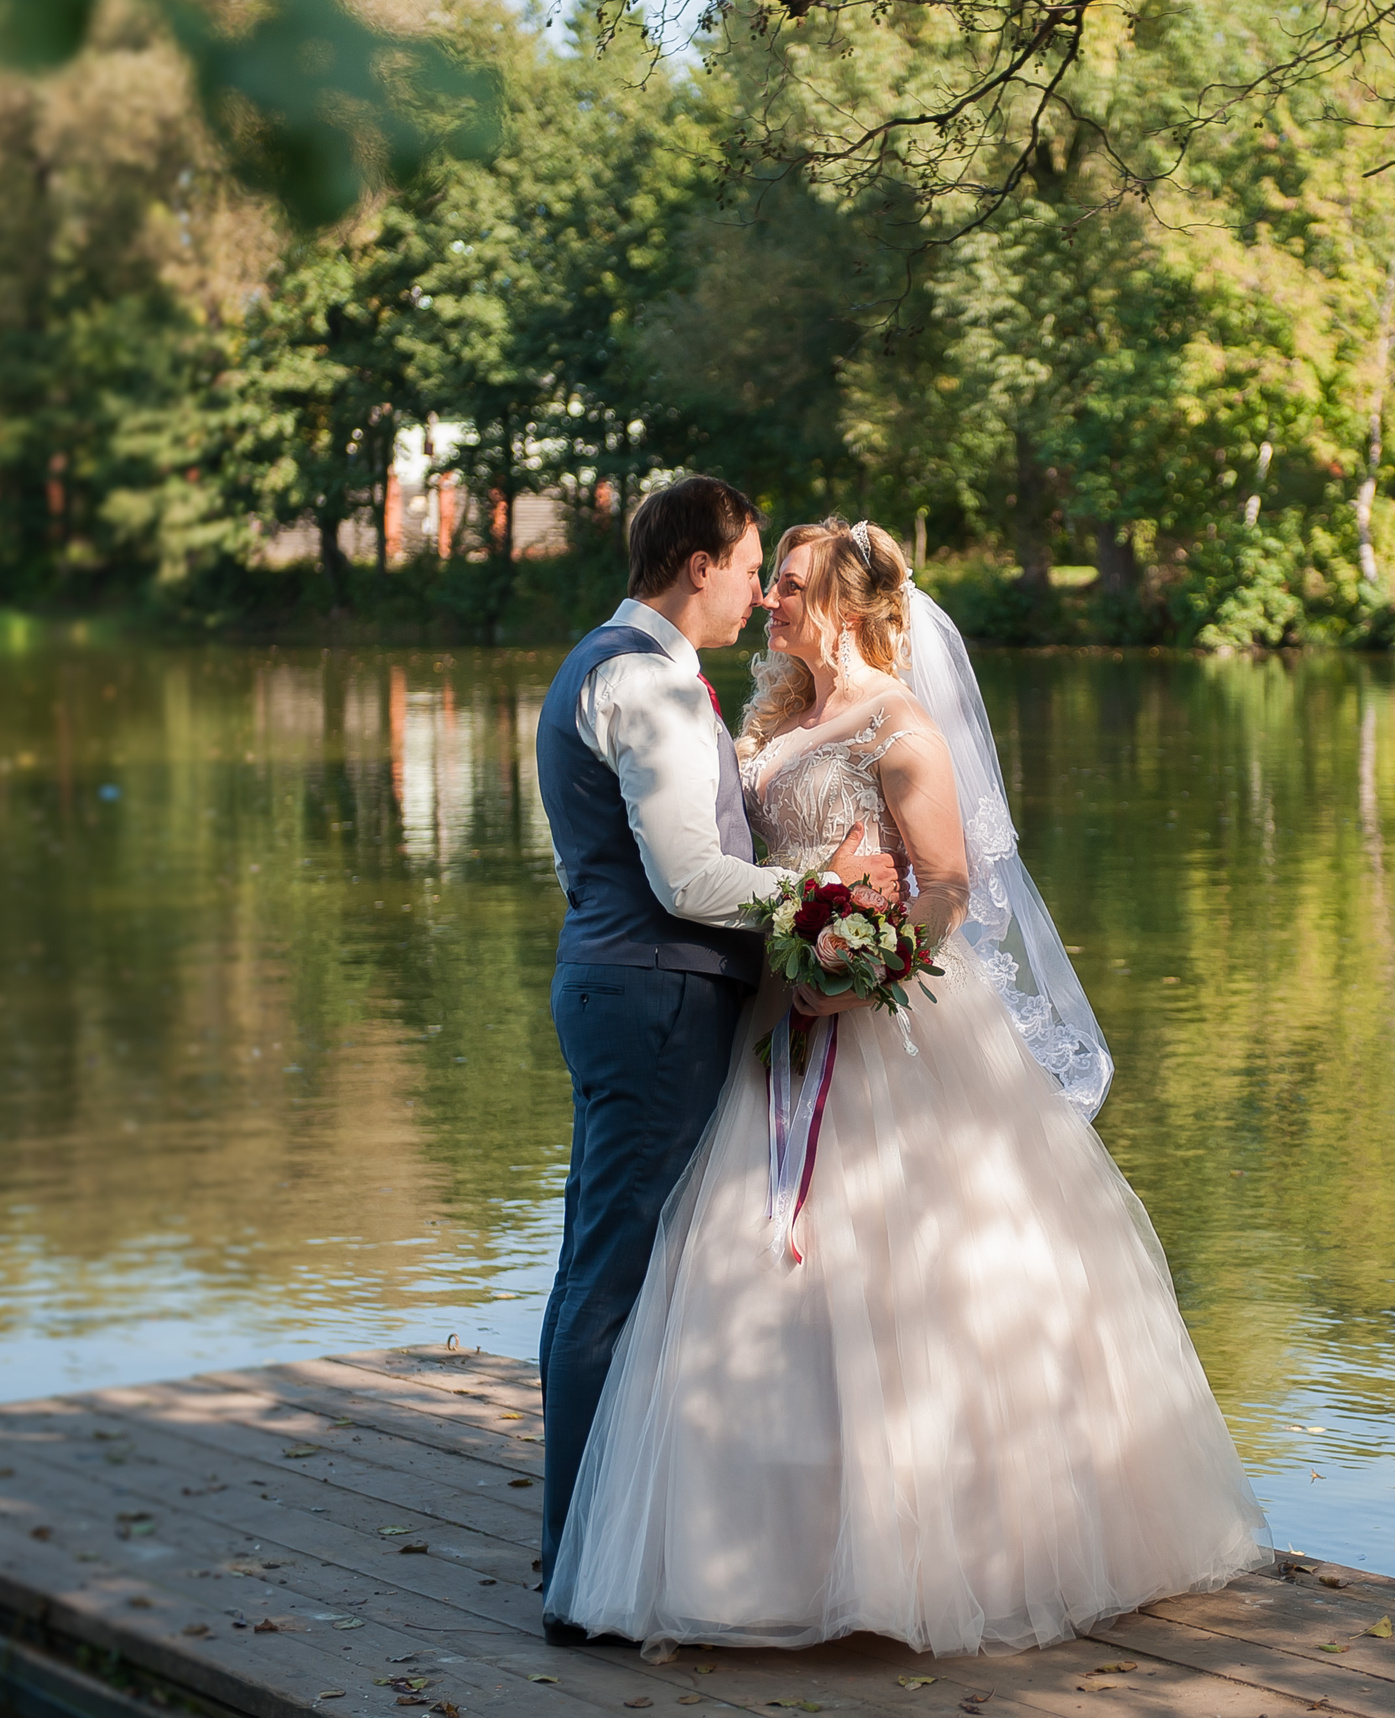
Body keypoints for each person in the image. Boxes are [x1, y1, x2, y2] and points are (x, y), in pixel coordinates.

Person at [542, 516, 1269, 1659]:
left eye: (786, 587)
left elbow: (947, 887)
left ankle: (941, 1546)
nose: (768, 603)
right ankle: (757, 1550)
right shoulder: (773, 717)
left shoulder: (901, 723)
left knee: (918, 1281)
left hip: (885, 1027)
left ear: (839, 602)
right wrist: (809, 936)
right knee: (747, 1282)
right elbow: (741, 854)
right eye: (763, 581)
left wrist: (865, 963)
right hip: (776, 1022)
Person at [532, 476, 892, 1638]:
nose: (755, 592)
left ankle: (577, 1544)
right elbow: (689, 880)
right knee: (617, 1271)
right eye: (747, 567)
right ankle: (582, 1569)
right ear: (697, 563)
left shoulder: (610, 663)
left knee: (596, 1258)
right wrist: (828, 897)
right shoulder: (651, 685)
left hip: (619, 985)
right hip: (656, 994)